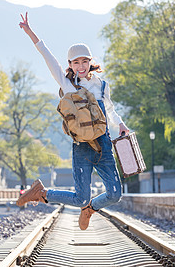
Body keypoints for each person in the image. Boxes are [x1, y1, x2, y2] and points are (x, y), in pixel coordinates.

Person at [16, 12, 129, 230]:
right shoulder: (67, 84)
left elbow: (111, 111)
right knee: (79, 197)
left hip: (103, 145)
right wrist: (31, 32)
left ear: (90, 62)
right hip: (81, 147)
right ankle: (41, 193)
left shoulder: (102, 86)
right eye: (76, 62)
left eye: (84, 61)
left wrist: (121, 124)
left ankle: (90, 209)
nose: (80, 65)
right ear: (70, 64)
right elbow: (46, 56)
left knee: (115, 194)